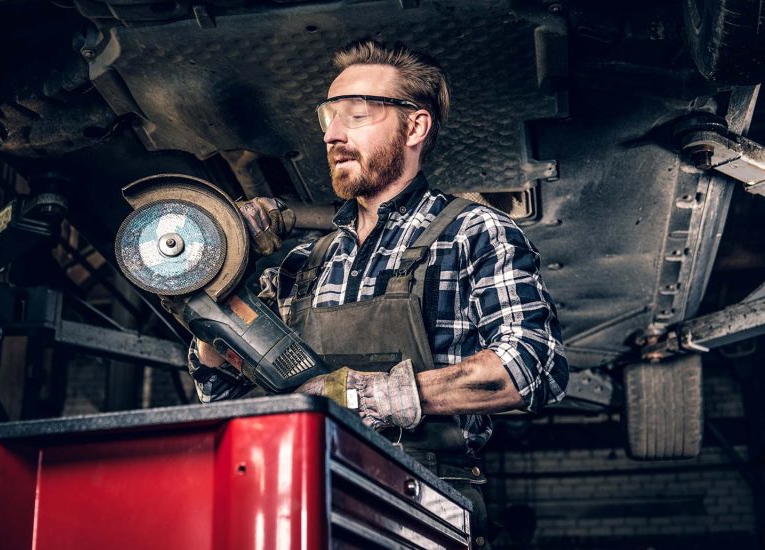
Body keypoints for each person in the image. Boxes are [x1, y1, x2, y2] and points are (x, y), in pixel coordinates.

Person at [187, 39, 568, 548]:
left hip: (425, 500)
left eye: (357, 114)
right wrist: (219, 284)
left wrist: (364, 397)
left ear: (415, 126)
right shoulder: (304, 262)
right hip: (297, 499)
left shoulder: (472, 231)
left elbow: (532, 368)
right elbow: (225, 394)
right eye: (328, 116)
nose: (332, 133)